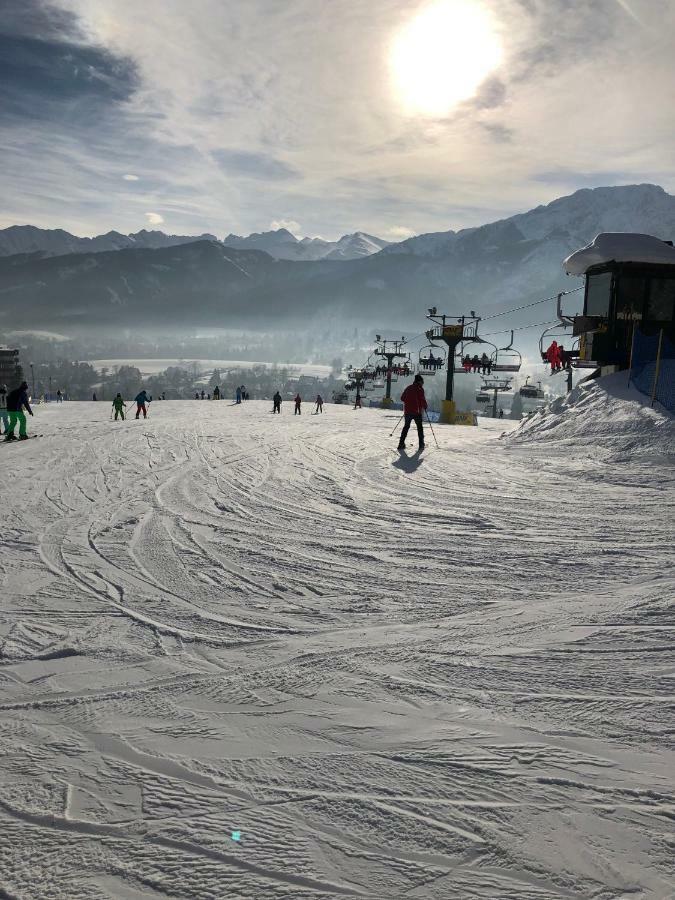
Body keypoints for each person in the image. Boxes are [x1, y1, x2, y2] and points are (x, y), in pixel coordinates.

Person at [398, 374, 427, 451]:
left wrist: (409, 402)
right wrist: (425, 406)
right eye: (422, 382)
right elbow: (422, 399)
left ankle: (401, 443)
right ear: (420, 381)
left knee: (406, 427)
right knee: (420, 428)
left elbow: (402, 398)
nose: (422, 383)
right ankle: (421, 445)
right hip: (417, 412)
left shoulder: (408, 388)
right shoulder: (420, 389)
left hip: (408, 411)